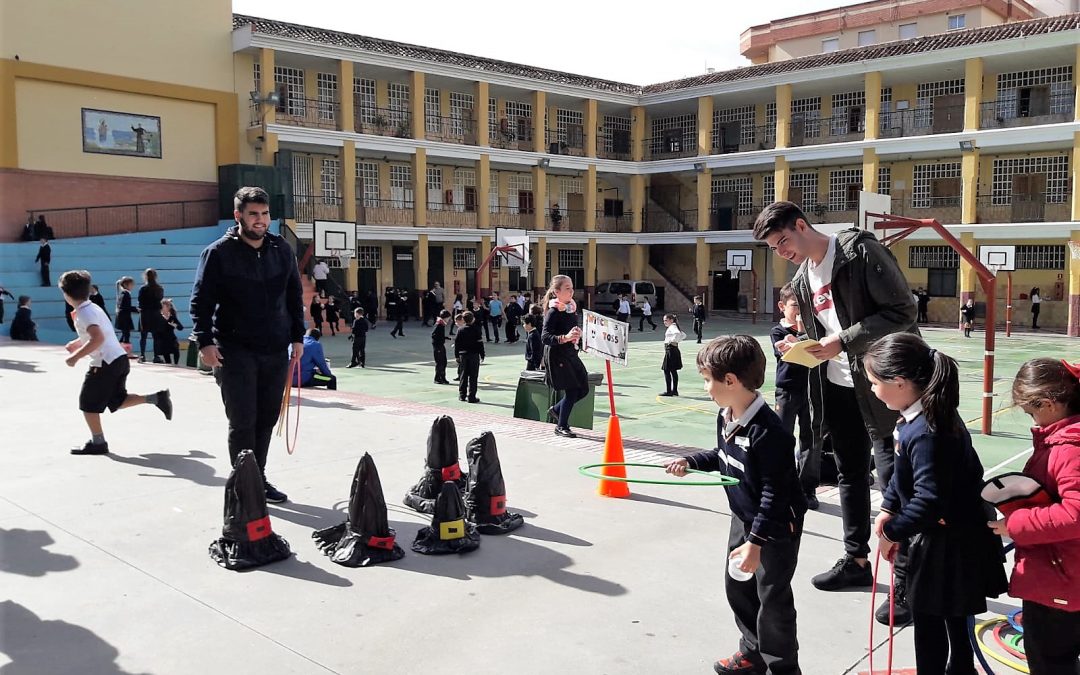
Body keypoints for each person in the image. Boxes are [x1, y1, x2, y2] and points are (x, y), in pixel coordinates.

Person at [754, 200, 918, 624]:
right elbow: (821, 334)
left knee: (895, 483)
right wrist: (801, 345)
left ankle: (906, 582)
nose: (781, 251)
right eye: (774, 248)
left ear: (802, 225)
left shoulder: (858, 252)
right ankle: (856, 561)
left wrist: (841, 341)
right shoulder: (804, 279)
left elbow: (902, 311)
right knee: (849, 472)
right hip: (839, 385)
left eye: (783, 240)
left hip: (886, 386)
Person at [665, 335, 806, 675]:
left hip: (773, 526)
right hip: (743, 516)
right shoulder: (726, 416)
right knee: (738, 587)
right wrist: (691, 461)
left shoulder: (769, 433)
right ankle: (752, 653)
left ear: (730, 381)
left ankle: (782, 668)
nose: (705, 388)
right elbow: (722, 456)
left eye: (707, 380)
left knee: (772, 601)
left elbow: (775, 494)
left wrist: (756, 544)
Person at [867, 334, 1008, 675]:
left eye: (874, 383)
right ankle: (961, 666)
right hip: (946, 535)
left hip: (949, 541)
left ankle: (950, 667)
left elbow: (929, 500)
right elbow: (905, 479)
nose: (872, 390)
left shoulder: (929, 432)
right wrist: (888, 507)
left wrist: (894, 532)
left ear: (899, 383)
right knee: (953, 611)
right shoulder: (917, 418)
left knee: (930, 619)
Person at [190, 186, 304, 504]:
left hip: (275, 348)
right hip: (234, 349)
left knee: (266, 418)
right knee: (243, 420)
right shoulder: (218, 253)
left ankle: (258, 477)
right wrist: (205, 342)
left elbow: (294, 296)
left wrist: (297, 336)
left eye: (265, 214)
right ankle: (243, 483)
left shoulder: (281, 249)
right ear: (238, 215)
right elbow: (200, 301)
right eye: (253, 214)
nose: (260, 220)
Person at [990, 358, 1080, 674]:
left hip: (1061, 580)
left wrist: (1013, 525)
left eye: (1032, 412)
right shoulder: (1062, 439)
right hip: (1065, 574)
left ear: (1049, 403)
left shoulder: (1069, 447)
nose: (1034, 420)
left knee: (1050, 661)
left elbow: (1075, 514)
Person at [60, 270, 172, 455]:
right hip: (118, 359)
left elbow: (97, 338)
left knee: (87, 403)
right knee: (116, 400)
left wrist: (75, 357)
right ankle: (156, 398)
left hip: (104, 363)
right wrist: (76, 343)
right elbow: (97, 333)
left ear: (66, 294)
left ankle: (98, 442)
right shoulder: (92, 308)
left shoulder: (84, 314)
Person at [771, 284, 819, 510]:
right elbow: (790, 354)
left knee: (811, 439)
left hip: (811, 389)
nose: (799, 311)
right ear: (782, 306)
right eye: (794, 306)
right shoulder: (778, 331)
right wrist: (800, 335)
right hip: (788, 389)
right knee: (782, 437)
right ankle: (781, 484)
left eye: (803, 306)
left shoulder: (812, 329)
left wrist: (802, 337)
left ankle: (807, 488)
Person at [541, 275, 587, 438]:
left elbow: (571, 329)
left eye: (572, 287)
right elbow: (545, 337)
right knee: (573, 390)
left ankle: (556, 410)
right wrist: (565, 338)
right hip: (558, 356)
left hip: (570, 353)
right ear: (556, 292)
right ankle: (561, 426)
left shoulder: (571, 309)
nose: (571, 291)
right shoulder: (553, 312)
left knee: (584, 387)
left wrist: (578, 336)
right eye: (567, 288)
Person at [453, 310, 484, 403]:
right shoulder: (476, 329)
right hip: (474, 355)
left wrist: (456, 356)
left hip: (463, 355)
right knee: (473, 376)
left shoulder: (460, 330)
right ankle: (471, 396)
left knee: (463, 375)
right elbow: (480, 343)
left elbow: (457, 344)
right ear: (473, 319)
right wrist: (482, 354)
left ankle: (462, 395)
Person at [137, 268, 164, 363]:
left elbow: (140, 301)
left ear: (145, 276)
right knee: (156, 336)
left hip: (145, 313)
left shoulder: (143, 288)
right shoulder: (159, 288)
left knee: (143, 336)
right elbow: (160, 299)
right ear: (156, 276)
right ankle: (156, 356)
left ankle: (142, 355)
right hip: (156, 313)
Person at [659, 313, 685, 397]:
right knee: (673, 371)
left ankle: (669, 391)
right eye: (664, 321)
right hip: (673, 350)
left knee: (667, 370)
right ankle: (674, 390)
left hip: (671, 350)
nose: (664, 322)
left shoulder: (672, 327)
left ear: (671, 320)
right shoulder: (673, 326)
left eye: (666, 320)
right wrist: (676, 341)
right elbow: (683, 335)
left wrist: (672, 341)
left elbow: (678, 334)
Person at [153, 299, 183, 365]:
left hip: (171, 337)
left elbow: (181, 327)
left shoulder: (172, 317)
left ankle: (176, 364)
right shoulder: (159, 317)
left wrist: (175, 325)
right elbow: (156, 329)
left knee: (176, 350)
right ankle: (169, 364)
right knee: (166, 356)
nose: (162, 308)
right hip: (162, 339)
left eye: (164, 307)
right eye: (162, 307)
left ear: (168, 307)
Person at [114, 277, 137, 345]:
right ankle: (126, 351)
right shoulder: (125, 294)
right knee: (126, 335)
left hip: (123, 317)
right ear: (126, 285)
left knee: (125, 334)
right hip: (125, 318)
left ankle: (120, 348)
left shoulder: (123, 294)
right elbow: (126, 307)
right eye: (131, 284)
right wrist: (136, 309)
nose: (133, 286)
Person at [431, 308, 451, 384]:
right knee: (440, 362)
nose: (449, 319)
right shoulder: (439, 324)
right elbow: (434, 335)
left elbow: (439, 335)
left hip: (440, 345)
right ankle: (437, 378)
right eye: (448, 318)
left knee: (444, 362)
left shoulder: (441, 324)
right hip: (438, 346)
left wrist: (446, 338)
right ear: (445, 317)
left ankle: (443, 377)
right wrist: (441, 340)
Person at [451, 313, 466, 381]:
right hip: (460, 348)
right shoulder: (460, 328)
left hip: (463, 349)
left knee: (462, 363)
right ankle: (460, 375)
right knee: (460, 364)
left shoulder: (463, 328)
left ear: (461, 321)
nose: (455, 323)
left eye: (456, 321)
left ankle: (462, 375)